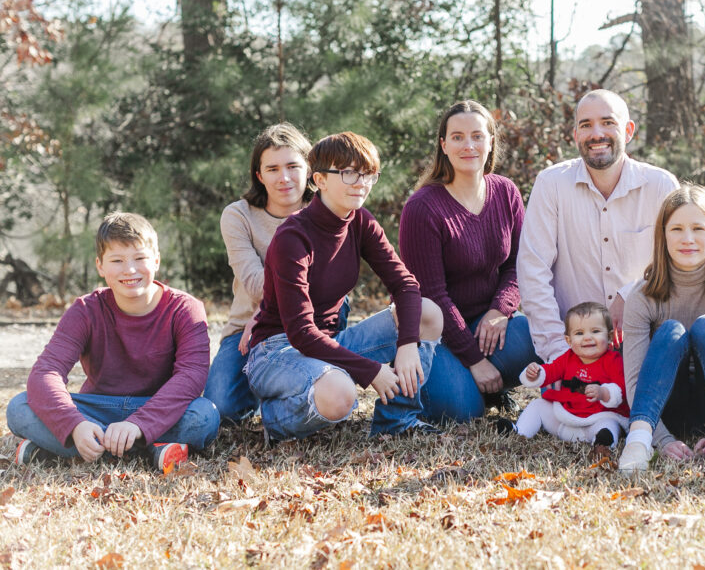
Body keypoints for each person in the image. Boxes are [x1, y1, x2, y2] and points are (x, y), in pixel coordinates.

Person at [242, 132, 443, 440]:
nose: (360, 182)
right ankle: (275, 418)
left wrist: (406, 343)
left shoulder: (360, 221)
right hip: (278, 350)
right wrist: (372, 371)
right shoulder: (292, 238)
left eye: (367, 174)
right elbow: (300, 333)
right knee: (340, 395)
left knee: (427, 314)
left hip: (329, 341)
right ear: (319, 179)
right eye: (349, 173)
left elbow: (405, 285)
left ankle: (398, 421)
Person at [6, 213, 219, 471]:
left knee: (204, 415)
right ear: (100, 266)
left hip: (156, 407)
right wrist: (75, 424)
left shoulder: (184, 309)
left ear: (157, 260)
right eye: (117, 260)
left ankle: (58, 451)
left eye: (140, 258)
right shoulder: (85, 309)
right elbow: (46, 371)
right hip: (96, 409)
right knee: (19, 407)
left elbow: (191, 376)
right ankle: (151, 451)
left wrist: (138, 424)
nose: (129, 270)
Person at [518, 89, 679, 364]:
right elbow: (533, 273)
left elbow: (683, 265)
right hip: (574, 348)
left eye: (608, 122)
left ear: (628, 130)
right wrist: (559, 354)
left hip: (646, 342)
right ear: (575, 135)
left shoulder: (661, 186)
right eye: (586, 125)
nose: (596, 134)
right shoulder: (551, 185)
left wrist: (631, 294)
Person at [399, 101, 536, 422]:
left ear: (491, 142)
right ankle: (464, 386)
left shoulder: (506, 192)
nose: (469, 145)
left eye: (477, 135)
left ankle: (485, 385)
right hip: (436, 337)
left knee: (538, 334)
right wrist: (475, 360)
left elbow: (519, 262)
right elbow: (432, 294)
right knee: (463, 410)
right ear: (444, 146)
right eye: (458, 137)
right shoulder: (422, 208)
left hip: (488, 326)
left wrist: (500, 310)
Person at [204, 122, 349, 423]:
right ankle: (276, 390)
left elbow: (332, 282)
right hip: (248, 328)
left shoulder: (328, 208)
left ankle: (293, 398)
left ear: (309, 169)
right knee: (222, 409)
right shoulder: (238, 215)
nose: (283, 178)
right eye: (272, 169)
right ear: (259, 175)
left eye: (293, 166)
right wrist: (260, 318)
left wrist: (268, 312)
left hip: (315, 321)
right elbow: (255, 284)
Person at [618, 185, 705, 474]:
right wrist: (662, 439)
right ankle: (638, 442)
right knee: (671, 331)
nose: (687, 239)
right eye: (677, 229)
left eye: (698, 228)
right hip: (662, 406)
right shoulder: (641, 297)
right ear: (663, 235)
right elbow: (634, 382)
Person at [501, 302, 629, 446]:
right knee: (538, 405)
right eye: (579, 333)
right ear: (568, 340)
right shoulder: (568, 357)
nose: (587, 338)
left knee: (610, 424)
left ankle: (603, 443)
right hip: (566, 420)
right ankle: (520, 432)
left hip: (597, 418)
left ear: (610, 336)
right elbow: (551, 370)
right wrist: (536, 373)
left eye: (595, 331)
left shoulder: (613, 360)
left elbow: (621, 389)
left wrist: (604, 393)